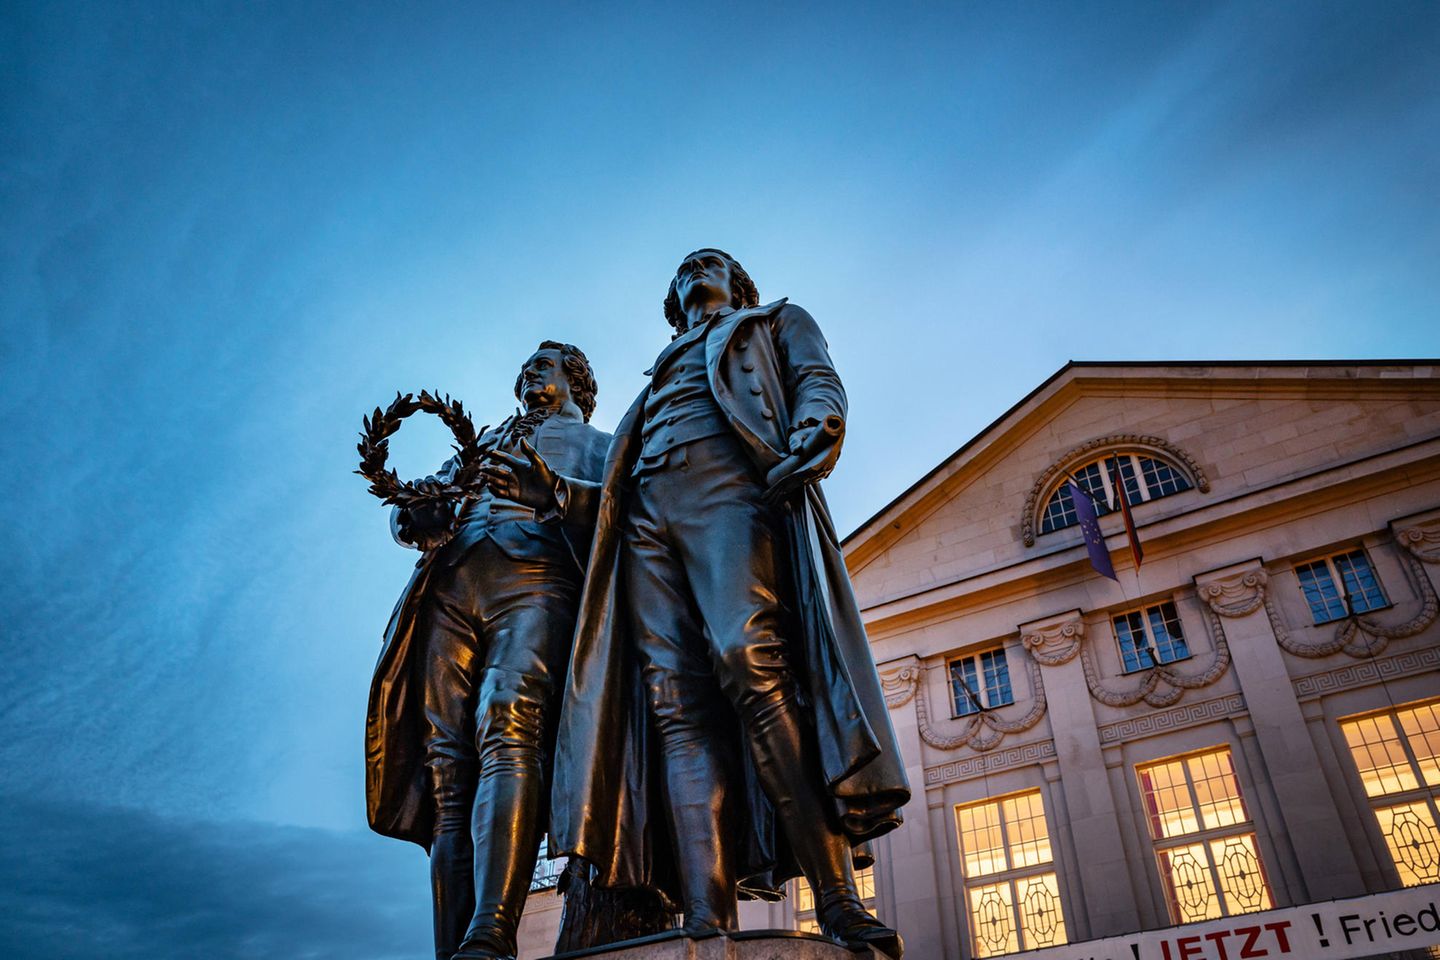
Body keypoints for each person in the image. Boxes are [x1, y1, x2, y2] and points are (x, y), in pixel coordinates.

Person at [488, 251, 910, 958]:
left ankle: (837, 900)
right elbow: (615, 490)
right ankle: (707, 917)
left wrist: (820, 425)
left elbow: (817, 380)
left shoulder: (773, 320)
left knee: (750, 661)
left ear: (735, 281)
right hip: (647, 520)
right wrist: (554, 492)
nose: (693, 271)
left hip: (730, 491)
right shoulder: (651, 382)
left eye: (708, 262)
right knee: (675, 707)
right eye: (682, 268)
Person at [365, 342, 609, 960]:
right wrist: (415, 514)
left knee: (509, 720)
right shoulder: (482, 444)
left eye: (547, 363)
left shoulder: (602, 444)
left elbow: (626, 513)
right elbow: (410, 523)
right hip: (449, 587)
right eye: (527, 364)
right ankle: (453, 948)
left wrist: (551, 492)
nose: (531, 370)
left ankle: (492, 930)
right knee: (447, 767)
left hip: (536, 579)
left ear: (576, 381)